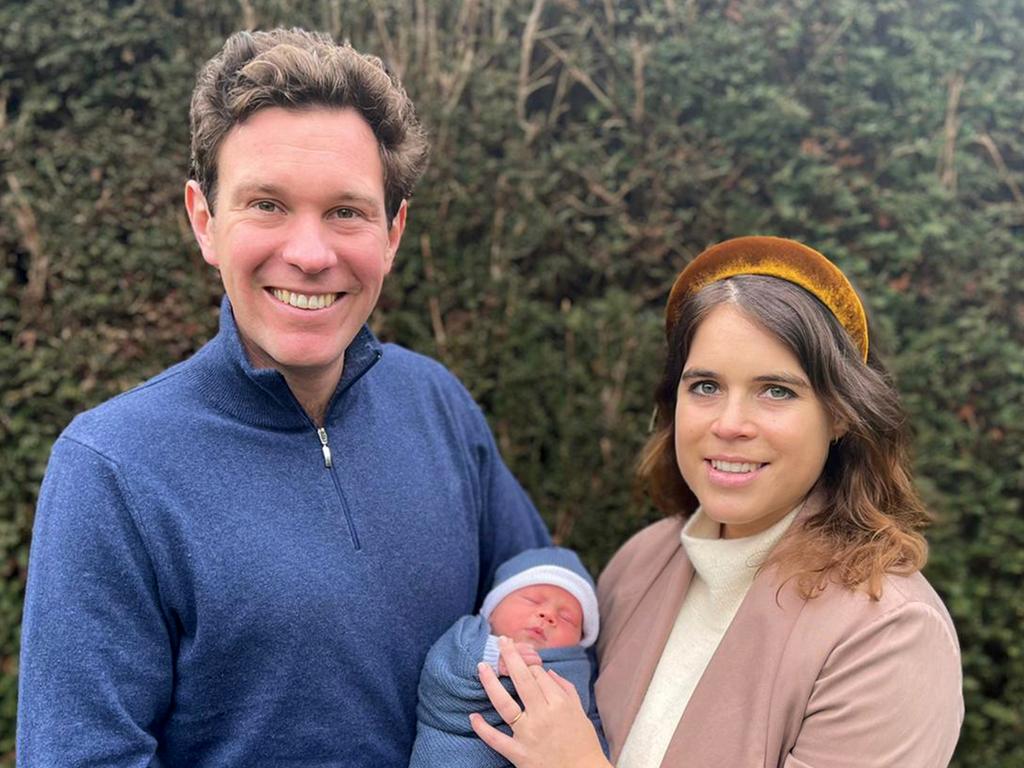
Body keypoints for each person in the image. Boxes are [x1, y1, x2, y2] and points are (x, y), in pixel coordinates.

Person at [16, 27, 550, 767]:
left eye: (346, 211)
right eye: (266, 204)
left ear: (393, 233)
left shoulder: (438, 406)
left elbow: (546, 598)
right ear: (205, 221)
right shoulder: (110, 471)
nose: (308, 252)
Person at [471, 236, 964, 767]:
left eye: (776, 390)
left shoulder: (891, 635)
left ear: (840, 414)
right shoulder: (641, 562)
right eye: (705, 386)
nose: (729, 425)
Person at [410, 546, 601, 767]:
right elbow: (439, 676)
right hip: (457, 746)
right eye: (532, 600)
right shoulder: (468, 635)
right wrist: (494, 655)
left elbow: (590, 725)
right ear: (491, 610)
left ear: (581, 640)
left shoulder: (579, 669)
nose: (548, 615)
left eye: (567, 618)